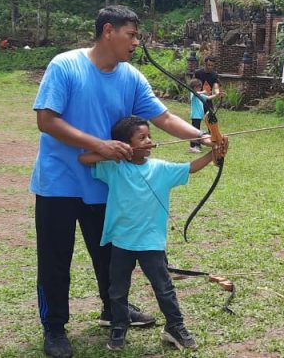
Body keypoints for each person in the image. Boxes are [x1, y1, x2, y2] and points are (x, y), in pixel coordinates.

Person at [30, 5, 227, 358]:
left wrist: (203, 138)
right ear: (108, 31)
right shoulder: (65, 65)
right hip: (58, 182)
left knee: (109, 255)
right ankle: (55, 328)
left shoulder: (131, 77)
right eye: (131, 35)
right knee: (55, 259)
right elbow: (47, 120)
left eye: (137, 36)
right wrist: (99, 145)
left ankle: (113, 309)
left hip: (104, 185)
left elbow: (164, 117)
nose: (136, 42)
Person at [80, 116, 214, 351]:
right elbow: (84, 158)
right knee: (118, 289)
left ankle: (175, 326)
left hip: (151, 242)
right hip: (122, 241)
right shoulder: (114, 168)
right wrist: (114, 151)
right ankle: (119, 325)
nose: (150, 141)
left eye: (149, 136)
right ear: (125, 144)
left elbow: (191, 168)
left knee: (163, 287)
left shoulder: (160, 168)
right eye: (142, 138)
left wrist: (215, 154)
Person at [187, 78, 218, 154]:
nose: (200, 88)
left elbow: (208, 98)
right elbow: (195, 93)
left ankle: (195, 146)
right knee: (195, 132)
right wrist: (204, 91)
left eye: (200, 87)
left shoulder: (199, 94)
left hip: (199, 117)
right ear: (194, 87)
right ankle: (192, 147)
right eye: (198, 87)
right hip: (195, 116)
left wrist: (216, 94)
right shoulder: (193, 94)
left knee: (197, 131)